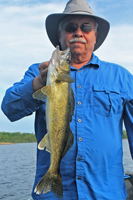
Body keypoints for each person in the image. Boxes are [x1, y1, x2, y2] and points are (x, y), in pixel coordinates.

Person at [1, 0, 133, 199]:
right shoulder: (38, 72)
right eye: (70, 27)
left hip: (106, 194)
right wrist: (38, 83)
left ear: (95, 36)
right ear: (60, 35)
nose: (78, 32)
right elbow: (9, 108)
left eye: (86, 27)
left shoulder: (122, 77)